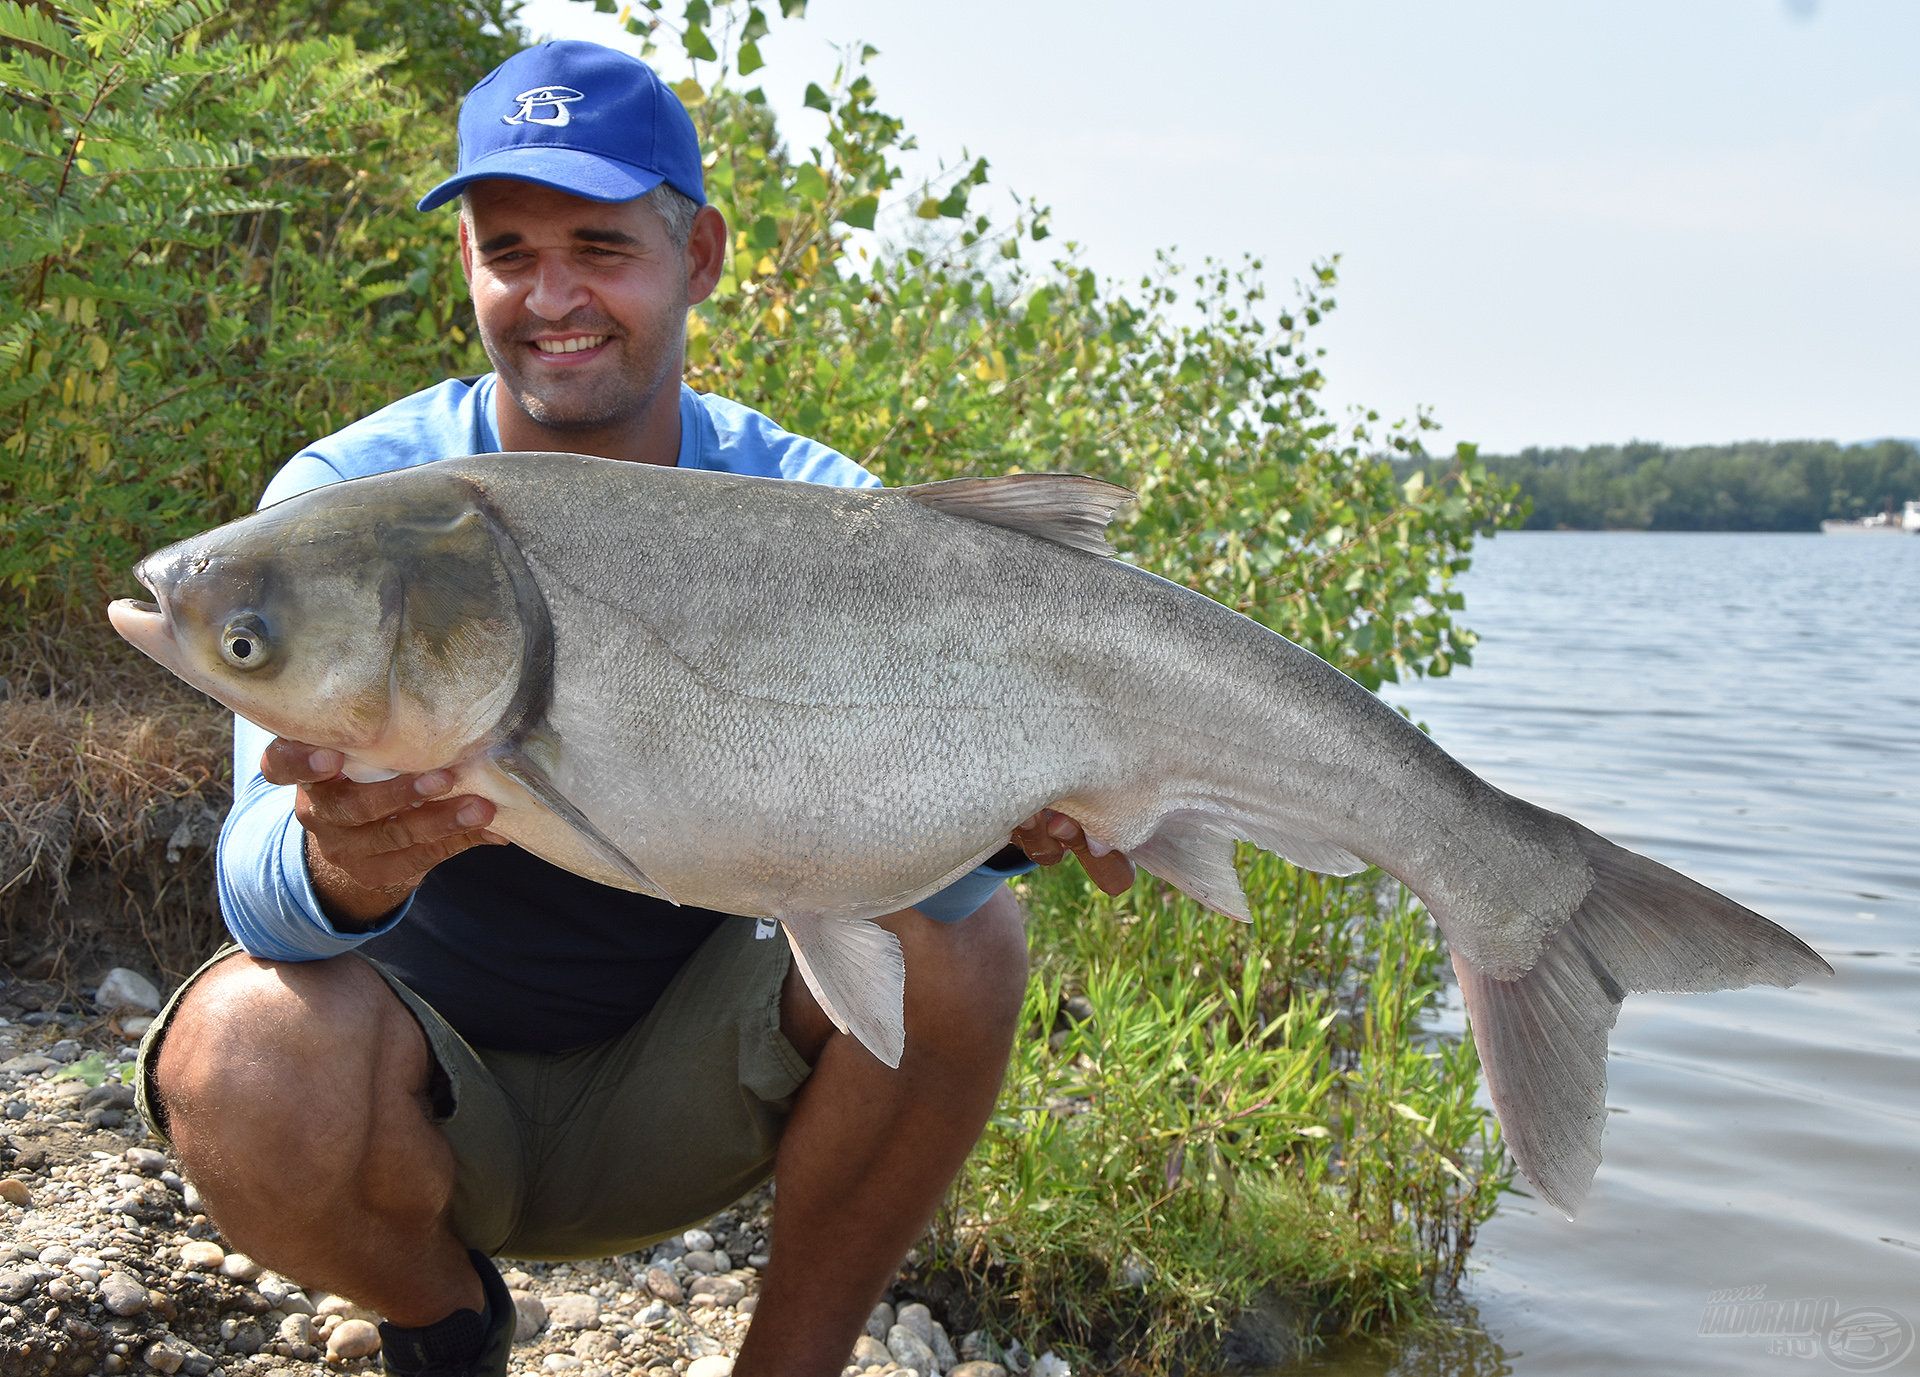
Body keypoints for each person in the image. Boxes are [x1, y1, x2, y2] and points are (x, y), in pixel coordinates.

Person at [134, 40, 1133, 1377]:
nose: (552, 297)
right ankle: (441, 1321)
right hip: (423, 1089)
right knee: (239, 1051)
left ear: (700, 256)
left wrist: (1008, 824)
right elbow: (253, 888)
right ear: (470, 267)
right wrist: (334, 861)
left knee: (975, 939)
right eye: (508, 250)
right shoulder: (350, 506)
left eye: (600, 248)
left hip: (693, 1088)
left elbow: (916, 865)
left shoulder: (811, 507)